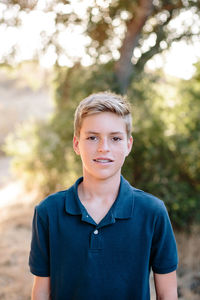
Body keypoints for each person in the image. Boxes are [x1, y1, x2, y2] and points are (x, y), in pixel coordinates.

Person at [29, 91, 178, 300]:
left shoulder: (152, 212)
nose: (103, 148)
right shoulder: (48, 212)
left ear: (128, 145)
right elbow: (42, 291)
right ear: (76, 144)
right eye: (92, 137)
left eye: (115, 138)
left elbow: (168, 294)